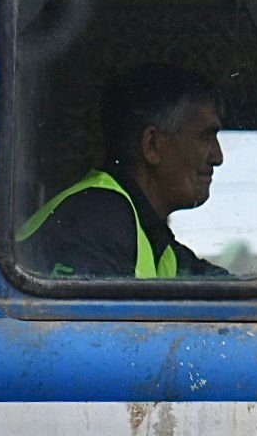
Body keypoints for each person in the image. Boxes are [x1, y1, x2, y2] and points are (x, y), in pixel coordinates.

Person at [17, 64, 229, 278]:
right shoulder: (96, 221)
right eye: (206, 137)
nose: (217, 157)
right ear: (152, 145)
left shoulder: (160, 247)